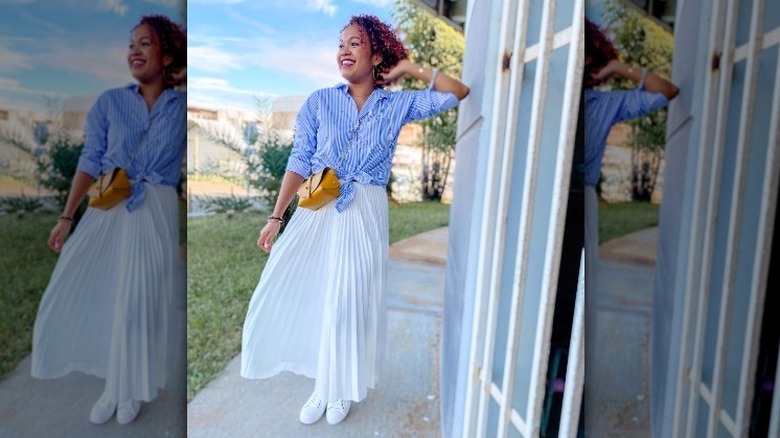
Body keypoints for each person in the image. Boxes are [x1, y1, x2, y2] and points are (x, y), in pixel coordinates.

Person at [240, 14, 469, 426]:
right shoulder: (319, 102)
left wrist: (410, 70)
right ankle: (321, 385)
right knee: (318, 293)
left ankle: (340, 387)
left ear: (376, 53)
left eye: (355, 43)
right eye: (340, 44)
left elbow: (458, 92)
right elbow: (298, 161)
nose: (343, 51)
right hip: (319, 205)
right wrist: (276, 217)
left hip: (364, 207)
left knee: (352, 299)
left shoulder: (397, 103)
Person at [30, 15, 186, 426]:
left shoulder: (182, 106)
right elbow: (89, 161)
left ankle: (129, 388)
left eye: (146, 43)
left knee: (141, 301)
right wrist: (67, 216)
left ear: (167, 54)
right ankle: (112, 386)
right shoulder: (109, 102)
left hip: (156, 206)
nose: (134, 51)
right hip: (110, 202)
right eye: (131, 44)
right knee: (106, 293)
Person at [582, 16, 679, 428]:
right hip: (540, 201)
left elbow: (667, 92)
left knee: (578, 298)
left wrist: (621, 70)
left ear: (592, 58)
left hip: (580, 200)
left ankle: (573, 389)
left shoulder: (604, 104)